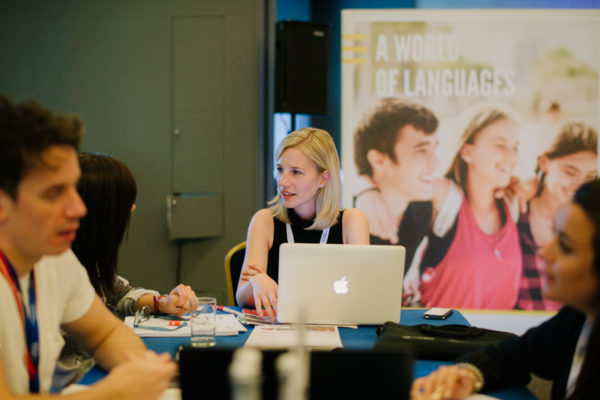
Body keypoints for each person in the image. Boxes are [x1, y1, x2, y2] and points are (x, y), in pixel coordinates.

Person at [0, 95, 175, 398]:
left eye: (74, 187)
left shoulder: (54, 259)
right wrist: (114, 392)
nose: (79, 208)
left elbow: (104, 333)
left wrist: (142, 368)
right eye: (55, 192)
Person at [411, 179, 600, 400]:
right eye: (554, 236)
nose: (545, 252)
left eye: (565, 246)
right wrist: (469, 375)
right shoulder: (577, 318)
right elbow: (516, 353)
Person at [55, 153, 198, 388]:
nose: (132, 208)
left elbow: (109, 321)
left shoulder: (68, 264)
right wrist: (118, 389)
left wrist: (160, 303)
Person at [235, 127, 369, 320]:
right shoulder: (264, 221)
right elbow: (241, 296)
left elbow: (362, 293)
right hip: (281, 329)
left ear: (323, 178)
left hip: (339, 326)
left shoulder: (352, 221)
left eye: (296, 172)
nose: (283, 182)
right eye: (280, 170)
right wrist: (256, 282)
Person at [418, 105, 523, 309]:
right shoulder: (445, 196)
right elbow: (399, 184)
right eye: (500, 146)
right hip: (443, 329)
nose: (512, 158)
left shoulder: (512, 205)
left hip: (500, 331)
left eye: (515, 148)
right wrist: (367, 193)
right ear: (467, 152)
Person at [73, 153, 197, 318]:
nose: (132, 208)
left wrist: (162, 303)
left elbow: (117, 294)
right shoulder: (60, 268)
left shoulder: (84, 258)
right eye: (123, 202)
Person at [517, 122, 597, 310]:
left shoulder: (591, 226)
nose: (579, 185)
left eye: (590, 177)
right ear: (544, 163)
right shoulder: (516, 213)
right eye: (570, 172)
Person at [353, 97, 440, 271]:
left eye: (434, 149)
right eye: (422, 151)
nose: (436, 163)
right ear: (379, 160)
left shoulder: (422, 211)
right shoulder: (341, 215)